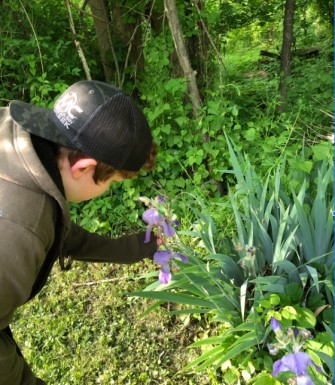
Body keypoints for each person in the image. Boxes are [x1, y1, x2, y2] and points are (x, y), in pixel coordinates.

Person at [0, 80, 162, 385]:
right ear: (83, 167)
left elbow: (58, 232)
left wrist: (138, 247)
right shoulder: (18, 230)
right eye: (112, 181)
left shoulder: (19, 137)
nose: (108, 188)